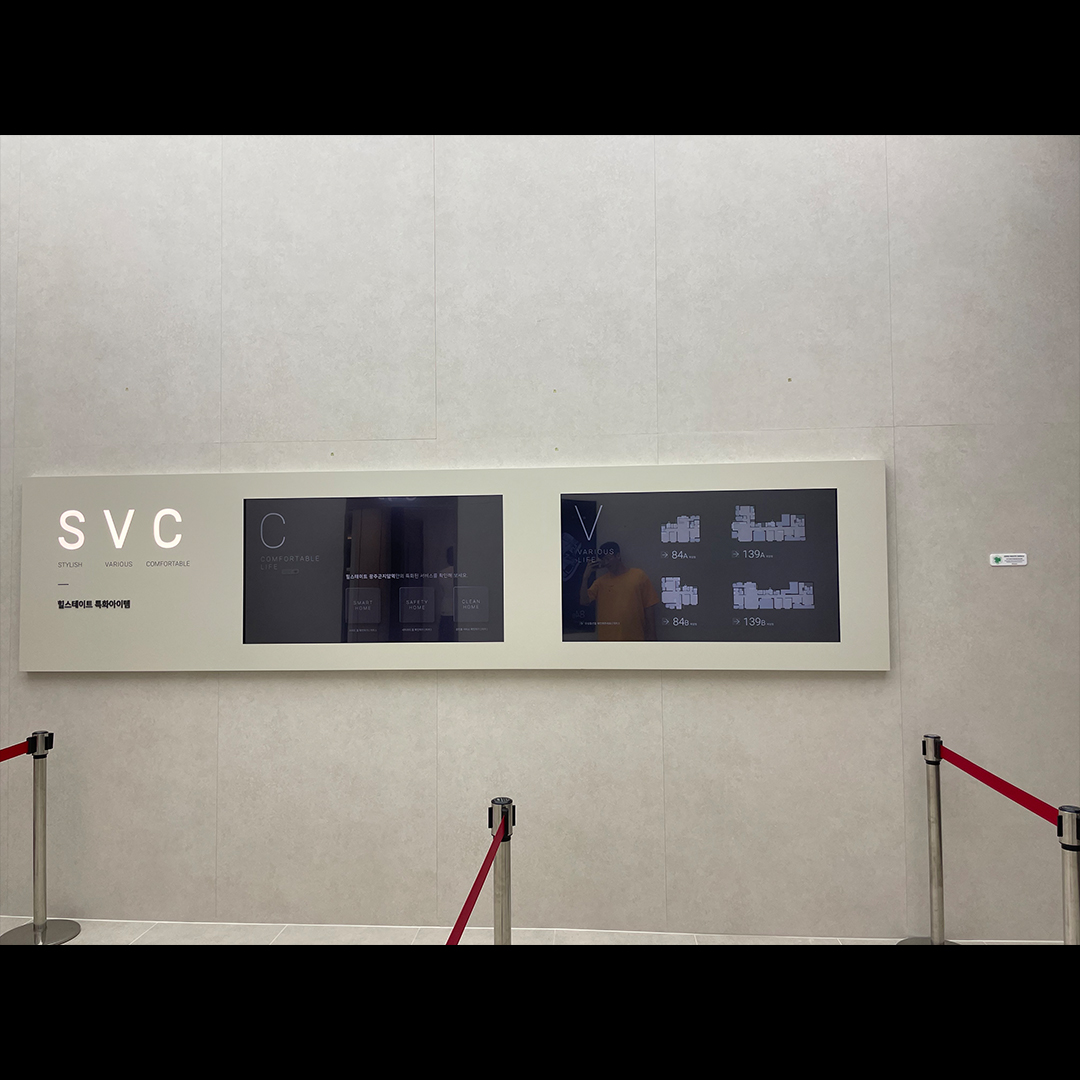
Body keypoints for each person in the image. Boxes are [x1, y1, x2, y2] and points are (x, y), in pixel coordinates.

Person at [579, 541, 658, 641]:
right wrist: (585, 577)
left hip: (635, 639)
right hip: (608, 641)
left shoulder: (638, 576)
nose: (606, 563)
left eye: (608, 558)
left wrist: (652, 635)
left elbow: (649, 606)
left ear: (618, 556)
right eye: (603, 560)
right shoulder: (600, 582)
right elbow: (584, 601)